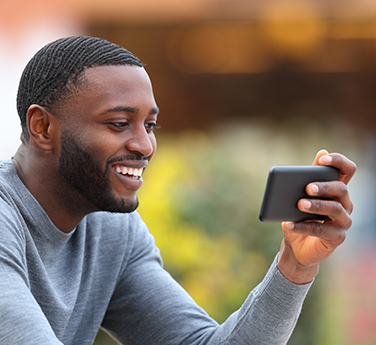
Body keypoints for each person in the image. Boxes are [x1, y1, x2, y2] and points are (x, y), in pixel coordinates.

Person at [0, 36, 356, 345]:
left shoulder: (112, 231)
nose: (145, 145)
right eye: (120, 124)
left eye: (150, 125)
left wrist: (294, 265)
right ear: (42, 126)